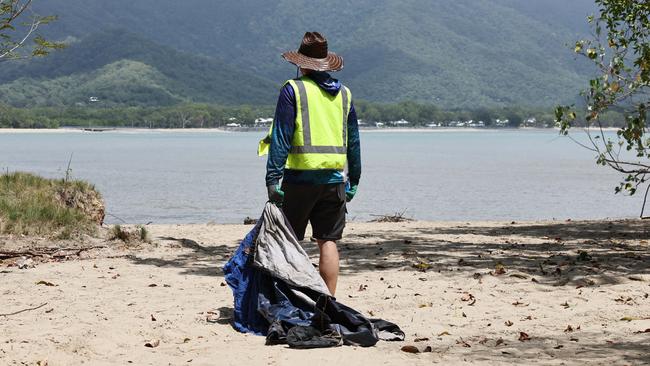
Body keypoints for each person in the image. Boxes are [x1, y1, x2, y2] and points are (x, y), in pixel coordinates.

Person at [258, 31, 361, 296]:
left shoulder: (293, 90)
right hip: (335, 180)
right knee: (328, 242)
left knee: (289, 242)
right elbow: (354, 142)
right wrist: (355, 180)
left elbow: (281, 137)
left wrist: (272, 179)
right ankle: (328, 302)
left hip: (300, 180)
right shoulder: (345, 95)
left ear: (301, 63)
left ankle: (293, 297)